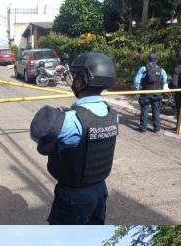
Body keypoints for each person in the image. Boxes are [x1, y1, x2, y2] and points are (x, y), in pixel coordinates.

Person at [30, 52, 119, 225]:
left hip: (73, 196)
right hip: (100, 190)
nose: (74, 80)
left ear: (83, 80)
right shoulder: (112, 115)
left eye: (76, 76)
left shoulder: (71, 120)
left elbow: (37, 134)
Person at [133, 52, 167, 133]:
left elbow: (136, 81)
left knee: (144, 110)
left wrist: (137, 89)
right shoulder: (161, 70)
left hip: (145, 92)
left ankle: (143, 128)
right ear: (156, 60)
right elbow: (164, 80)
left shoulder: (143, 68)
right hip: (157, 93)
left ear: (148, 60)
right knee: (156, 110)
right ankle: (156, 128)